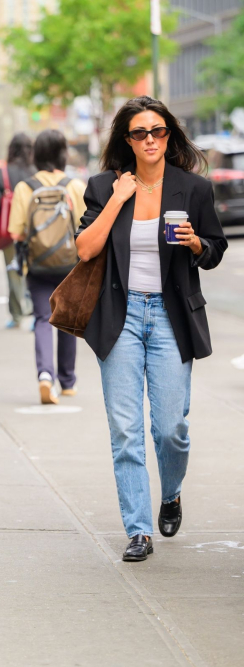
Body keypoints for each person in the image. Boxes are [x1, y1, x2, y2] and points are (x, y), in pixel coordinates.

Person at [75, 96, 227, 562]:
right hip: (119, 317)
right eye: (139, 133)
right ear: (127, 139)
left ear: (169, 135)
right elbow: (84, 249)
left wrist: (197, 242)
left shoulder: (193, 189)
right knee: (125, 430)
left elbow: (216, 248)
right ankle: (138, 528)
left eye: (157, 131)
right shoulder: (105, 186)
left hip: (169, 315)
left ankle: (171, 491)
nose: (149, 140)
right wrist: (118, 200)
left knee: (170, 429)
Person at [9, 129, 86, 404]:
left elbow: (15, 232)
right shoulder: (74, 186)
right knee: (67, 321)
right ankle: (68, 381)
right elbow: (84, 228)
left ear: (36, 155)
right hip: (69, 266)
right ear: (63, 153)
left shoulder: (25, 187)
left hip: (37, 265)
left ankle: (45, 376)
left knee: (43, 319)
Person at [0, 133, 35, 328]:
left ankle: (17, 315)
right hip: (33, 230)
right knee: (32, 271)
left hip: (9, 231)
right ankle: (35, 312)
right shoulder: (36, 171)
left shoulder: (3, 172)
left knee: (12, 272)